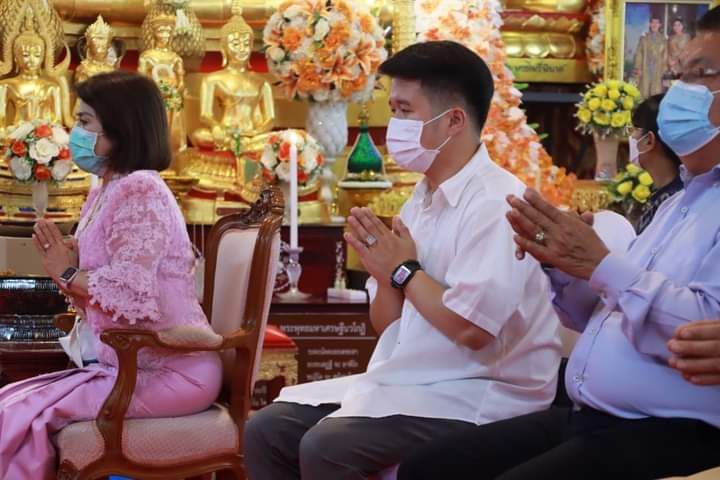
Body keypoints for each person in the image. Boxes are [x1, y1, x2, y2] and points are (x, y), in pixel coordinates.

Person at [397, 6, 720, 479]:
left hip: (671, 427)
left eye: (699, 74)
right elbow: (605, 314)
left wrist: (599, 264)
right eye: (679, 74)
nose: (678, 90)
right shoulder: (682, 201)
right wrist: (563, 266)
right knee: (428, 468)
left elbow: (695, 335)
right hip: (589, 414)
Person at [243, 40, 561, 480]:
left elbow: (473, 331)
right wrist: (384, 274)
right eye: (393, 109)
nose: (395, 125)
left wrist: (403, 271)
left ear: (454, 121)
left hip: (480, 392)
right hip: (414, 381)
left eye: (406, 111)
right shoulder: (421, 199)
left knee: (329, 447)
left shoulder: (495, 203)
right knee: (267, 429)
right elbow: (387, 323)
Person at [0, 71, 222, 479]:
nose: (75, 133)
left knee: (18, 418)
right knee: (8, 403)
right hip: (128, 365)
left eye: (84, 122)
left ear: (121, 130)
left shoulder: (141, 189)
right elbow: (106, 288)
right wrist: (70, 266)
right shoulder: (107, 189)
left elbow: (133, 294)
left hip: (169, 370)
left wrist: (68, 271)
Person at [630, 93, 683, 234]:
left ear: (649, 140)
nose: (631, 137)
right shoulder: (668, 193)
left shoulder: (672, 203)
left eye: (634, 130)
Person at [632, 16, 667, 98]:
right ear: (650, 24)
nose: (654, 24)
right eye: (653, 22)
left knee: (656, 92)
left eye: (657, 23)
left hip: (658, 69)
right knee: (643, 91)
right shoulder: (643, 38)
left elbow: (665, 55)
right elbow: (639, 53)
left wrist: (664, 70)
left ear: (660, 25)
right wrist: (638, 68)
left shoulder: (663, 39)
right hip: (645, 68)